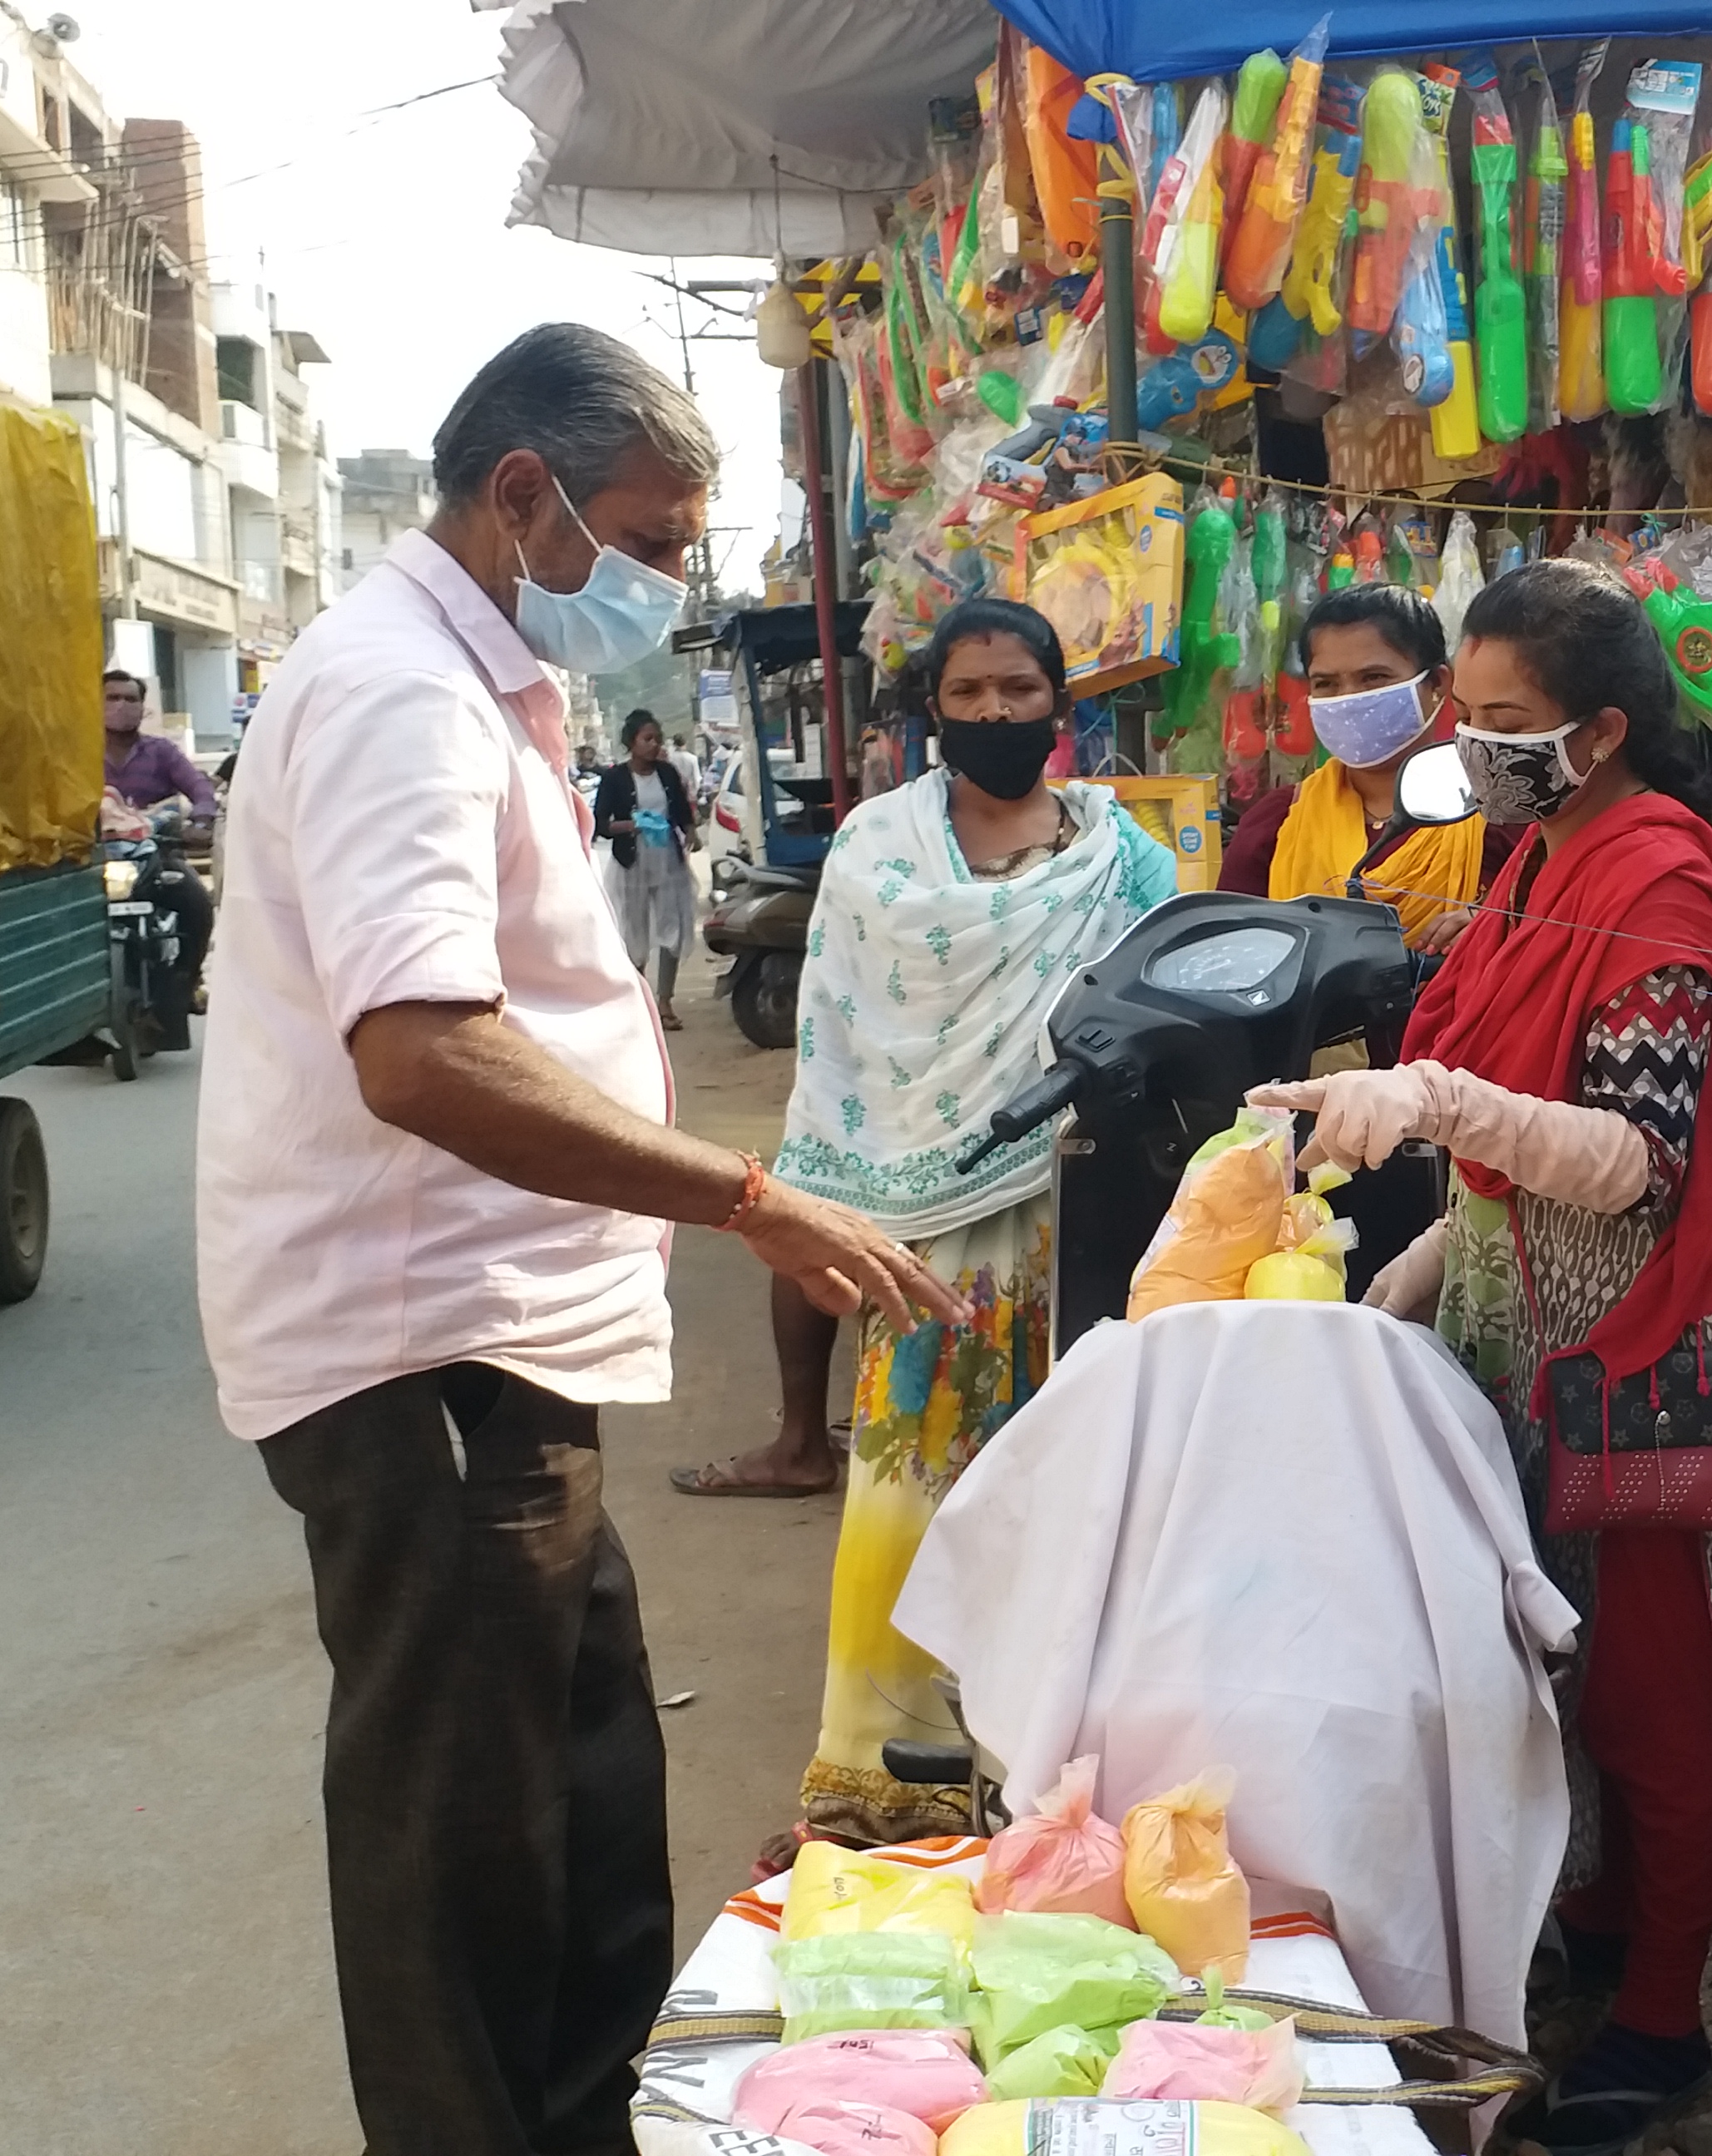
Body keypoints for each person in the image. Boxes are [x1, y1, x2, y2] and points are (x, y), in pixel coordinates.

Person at [198, 321, 947, 2156]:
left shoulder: (474, 681)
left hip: (500, 1351)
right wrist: (750, 1201)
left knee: (585, 1796)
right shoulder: (395, 688)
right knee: (468, 1849)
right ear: (521, 496)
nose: (670, 585)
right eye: (658, 539)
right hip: (423, 1357)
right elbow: (423, 1049)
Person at [1249, 558, 1712, 2156]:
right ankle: (1590, 1939)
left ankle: (1664, 2021)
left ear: (1595, 729)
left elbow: (1638, 1160)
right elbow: (1515, 1161)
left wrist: (1436, 1108)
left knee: (1655, 1693)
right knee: (1551, 1671)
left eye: (1501, 721)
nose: (1469, 741)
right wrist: (1428, 1270)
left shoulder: (1657, 878)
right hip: (1526, 1317)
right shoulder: (1534, 859)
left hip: (1643, 1337)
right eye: (1465, 711)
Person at [681, 598, 1172, 1847]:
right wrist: (828, 1209)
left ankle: (1043, 1778)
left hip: (1079, 1217)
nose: (998, 713)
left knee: (1068, 1500)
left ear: (1062, 704)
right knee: (910, 1492)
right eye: (970, 695)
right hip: (923, 1234)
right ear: (932, 712)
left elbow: (1160, 1032)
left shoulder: (1128, 862)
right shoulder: (877, 850)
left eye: (1020, 690)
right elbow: (845, 1033)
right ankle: (881, 1779)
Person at [1215, 582, 1512, 946]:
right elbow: (1227, 956)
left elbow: (1553, 930)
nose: (1349, 699)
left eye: (1374, 678)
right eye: (1326, 683)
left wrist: (1496, 929)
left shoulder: (1500, 812)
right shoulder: (1278, 823)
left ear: (1436, 683)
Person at [101, 670, 217, 1005]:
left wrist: (202, 819)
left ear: (143, 708)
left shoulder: (161, 752)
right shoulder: (78, 754)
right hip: (96, 860)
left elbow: (199, 789)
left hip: (155, 854)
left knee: (196, 903)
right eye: (112, 698)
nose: (122, 705)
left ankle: (187, 980)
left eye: (130, 699)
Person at [592, 709, 698, 1025]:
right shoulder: (614, 778)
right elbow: (601, 824)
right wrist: (632, 826)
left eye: (657, 739)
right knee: (634, 930)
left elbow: (681, 810)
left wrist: (690, 830)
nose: (654, 745)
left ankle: (665, 1002)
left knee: (672, 927)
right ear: (632, 742)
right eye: (647, 739)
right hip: (632, 862)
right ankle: (638, 1002)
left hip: (666, 860)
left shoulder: (666, 774)